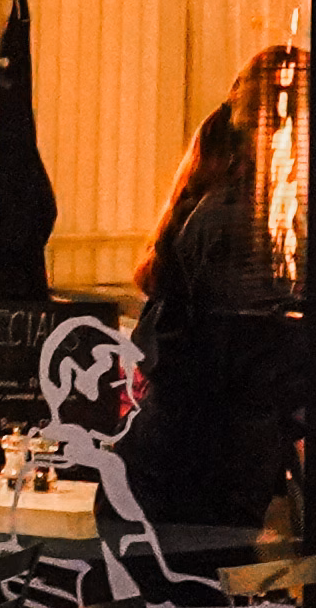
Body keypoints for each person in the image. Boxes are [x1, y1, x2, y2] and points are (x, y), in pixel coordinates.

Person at [123, 45, 303, 539]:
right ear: (279, 128)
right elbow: (260, 373)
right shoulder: (243, 227)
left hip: (188, 475)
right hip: (193, 485)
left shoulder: (246, 215)